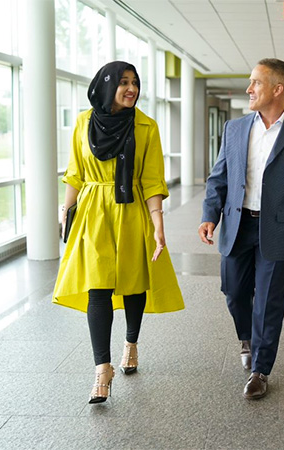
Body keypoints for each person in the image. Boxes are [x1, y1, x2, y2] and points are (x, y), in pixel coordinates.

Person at [53, 61, 184, 404]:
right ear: (106, 85)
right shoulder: (83, 123)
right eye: (124, 82)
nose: (131, 89)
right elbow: (75, 173)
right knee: (98, 288)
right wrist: (65, 209)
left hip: (132, 210)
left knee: (132, 284)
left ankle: (131, 343)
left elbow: (153, 179)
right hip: (95, 212)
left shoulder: (146, 127)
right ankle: (102, 370)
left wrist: (158, 223)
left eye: (135, 83)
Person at [198, 58, 284, 400]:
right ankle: (247, 338)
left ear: (278, 89)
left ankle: (260, 370)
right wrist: (210, 214)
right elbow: (219, 177)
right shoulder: (234, 129)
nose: (249, 89)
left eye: (256, 83)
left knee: (269, 302)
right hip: (237, 226)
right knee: (234, 292)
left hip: (278, 231)